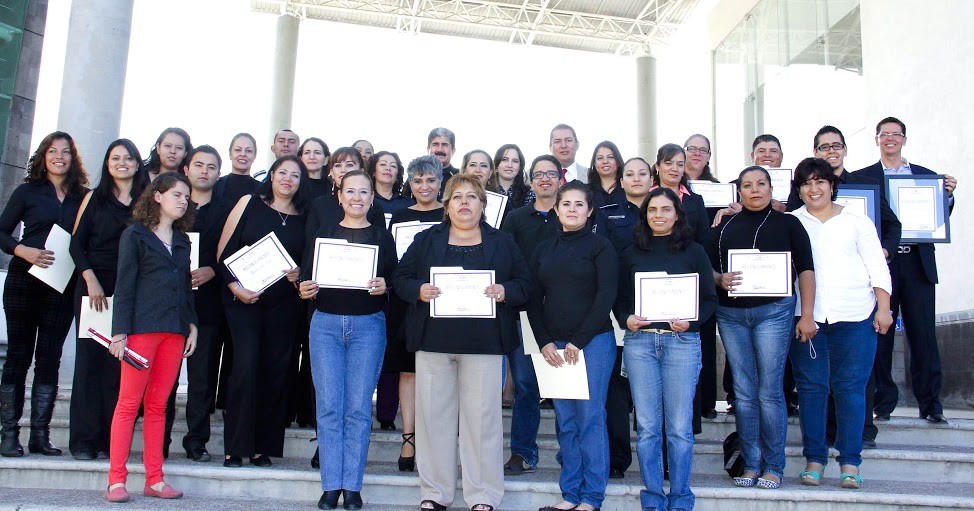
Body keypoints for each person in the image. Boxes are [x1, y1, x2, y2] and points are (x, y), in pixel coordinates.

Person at [392, 174, 530, 511]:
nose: (464, 202)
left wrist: (505, 291)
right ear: (446, 204)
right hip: (434, 343)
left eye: (472, 197)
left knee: (482, 421)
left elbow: (526, 283)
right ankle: (435, 492)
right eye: (457, 197)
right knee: (433, 419)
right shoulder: (427, 240)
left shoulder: (503, 242)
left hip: (484, 345)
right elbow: (401, 278)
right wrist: (418, 291)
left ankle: (482, 495)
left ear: (483, 205)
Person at [787, 125, 902, 448]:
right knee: (811, 389)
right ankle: (815, 456)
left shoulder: (857, 221)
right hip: (808, 319)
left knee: (851, 388)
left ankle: (851, 459)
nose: (814, 189)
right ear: (799, 189)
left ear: (832, 185)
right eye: (807, 184)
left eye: (820, 182)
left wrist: (883, 308)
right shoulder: (793, 223)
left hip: (856, 317)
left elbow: (877, 267)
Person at [709, 166, 816, 489]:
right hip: (731, 315)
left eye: (761, 184)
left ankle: (773, 465)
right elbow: (705, 267)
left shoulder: (789, 223)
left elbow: (806, 270)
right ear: (738, 191)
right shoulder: (723, 226)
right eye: (747, 185)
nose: (754, 190)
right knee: (743, 393)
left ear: (772, 189)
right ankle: (751, 463)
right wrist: (720, 279)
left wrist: (807, 314)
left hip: (774, 312)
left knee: (769, 391)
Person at [298, 170, 397, 511]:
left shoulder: (383, 238)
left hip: (368, 327)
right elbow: (309, 279)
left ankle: (352, 487)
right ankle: (330, 486)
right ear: (339, 196)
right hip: (325, 326)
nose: (356, 197)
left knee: (356, 410)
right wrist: (306, 288)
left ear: (373, 198)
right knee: (328, 408)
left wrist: (386, 286)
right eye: (350, 191)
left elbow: (395, 281)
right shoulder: (322, 234)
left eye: (363, 192)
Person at [614, 187, 718, 511]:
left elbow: (710, 299)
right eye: (652, 210)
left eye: (666, 209)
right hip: (641, 343)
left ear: (677, 214)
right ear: (644, 215)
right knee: (646, 427)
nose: (658, 215)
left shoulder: (694, 251)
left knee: (679, 427)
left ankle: (682, 498)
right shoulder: (630, 252)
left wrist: (693, 321)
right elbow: (618, 299)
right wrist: (625, 318)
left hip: (682, 343)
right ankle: (653, 498)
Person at [858, 116, 957, 424]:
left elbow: (939, 216)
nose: (890, 139)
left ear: (904, 139)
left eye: (896, 134)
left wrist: (948, 195)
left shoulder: (928, 177)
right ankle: (883, 402)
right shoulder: (862, 177)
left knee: (923, 334)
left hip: (917, 262)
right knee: (880, 332)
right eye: (884, 134)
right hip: (881, 262)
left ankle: (931, 403)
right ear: (876, 139)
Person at [105, 172, 198, 503]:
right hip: (141, 331)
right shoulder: (135, 236)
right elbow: (125, 285)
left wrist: (192, 325)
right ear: (157, 196)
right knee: (129, 403)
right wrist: (119, 333)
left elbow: (186, 287)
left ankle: (154, 480)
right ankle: (117, 480)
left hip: (174, 332)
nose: (183, 200)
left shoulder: (183, 240)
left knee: (158, 405)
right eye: (177, 194)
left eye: (186, 196)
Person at [527, 181, 618, 511]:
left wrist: (578, 342)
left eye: (580, 204)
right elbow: (533, 301)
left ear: (589, 210)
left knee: (590, 417)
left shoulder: (600, 247)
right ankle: (570, 494)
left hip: (592, 343)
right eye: (566, 204)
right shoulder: (543, 250)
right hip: (555, 348)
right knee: (565, 421)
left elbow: (605, 297)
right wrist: (544, 342)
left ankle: (592, 497)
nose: (572, 209)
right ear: (556, 209)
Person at [217, 155, 310, 468]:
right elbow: (223, 252)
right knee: (245, 366)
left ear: (301, 182)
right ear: (271, 175)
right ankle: (235, 446)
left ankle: (262, 446)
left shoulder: (305, 215)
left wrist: (299, 274)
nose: (288, 179)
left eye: (295, 175)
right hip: (245, 300)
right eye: (282, 172)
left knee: (276, 372)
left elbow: (307, 262)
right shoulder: (248, 203)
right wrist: (234, 288)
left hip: (285, 305)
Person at [0, 132, 88, 458]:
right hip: (24, 281)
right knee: (19, 357)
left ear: (73, 158)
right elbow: (2, 231)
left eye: (65, 152)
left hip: (62, 286)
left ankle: (41, 434)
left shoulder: (84, 197)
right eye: (53, 151)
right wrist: (23, 250)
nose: (59, 157)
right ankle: (9, 433)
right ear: (43, 156)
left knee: (49, 359)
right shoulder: (27, 192)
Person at [67, 138, 147, 461]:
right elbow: (76, 245)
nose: (122, 163)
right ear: (107, 163)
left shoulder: (147, 203)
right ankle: (84, 441)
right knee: (89, 364)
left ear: (138, 164)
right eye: (116, 158)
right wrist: (90, 280)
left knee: (119, 368)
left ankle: (107, 440)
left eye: (128, 158)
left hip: (131, 289)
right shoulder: (93, 198)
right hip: (93, 288)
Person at [499, 155, 564, 477]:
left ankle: (572, 451)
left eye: (551, 174)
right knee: (526, 385)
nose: (545, 180)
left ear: (560, 179)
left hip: (565, 313)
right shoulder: (516, 218)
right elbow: (505, 260)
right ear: (531, 180)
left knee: (568, 387)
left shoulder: (569, 214)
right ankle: (522, 452)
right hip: (523, 311)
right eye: (539, 175)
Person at [387, 155, 445, 473]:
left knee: (438, 374)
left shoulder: (449, 215)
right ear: (410, 182)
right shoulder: (398, 216)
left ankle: (435, 441)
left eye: (431, 180)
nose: (424, 186)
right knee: (407, 372)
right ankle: (408, 440)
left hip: (441, 305)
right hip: (405, 304)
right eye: (418, 180)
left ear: (441, 183)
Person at [181, 145, 234, 462]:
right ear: (186, 169)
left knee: (202, 378)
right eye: (198, 165)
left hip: (210, 305)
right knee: (167, 377)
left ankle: (196, 441)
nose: (204, 171)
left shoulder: (228, 210)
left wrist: (213, 269)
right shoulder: (171, 203)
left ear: (219, 172)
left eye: (211, 166)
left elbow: (236, 252)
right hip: (169, 304)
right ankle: (159, 440)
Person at [602, 156, 652, 479]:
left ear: (652, 178)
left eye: (642, 173)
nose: (636, 179)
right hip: (620, 312)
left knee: (652, 392)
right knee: (616, 392)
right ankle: (617, 458)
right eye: (630, 174)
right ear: (621, 181)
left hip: (660, 313)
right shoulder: (607, 215)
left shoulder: (665, 208)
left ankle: (657, 461)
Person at [683, 134, 724, 421]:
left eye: (702, 150)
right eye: (691, 149)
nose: (696, 154)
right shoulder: (660, 191)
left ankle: (707, 401)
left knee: (704, 339)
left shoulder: (721, 190)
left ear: (709, 156)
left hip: (705, 270)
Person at [487, 144, 534, 220]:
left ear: (519, 167)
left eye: (515, 161)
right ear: (496, 165)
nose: (509, 165)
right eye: (504, 160)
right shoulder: (486, 193)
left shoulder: (529, 195)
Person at [214, 133, 260, 204]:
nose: (243, 154)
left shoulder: (262, 190)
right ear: (230, 154)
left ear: (254, 156)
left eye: (248, 151)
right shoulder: (215, 185)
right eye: (238, 150)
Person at [369, 151, 412, 217]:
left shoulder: (409, 203)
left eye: (393, 166)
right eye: (383, 164)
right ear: (373, 172)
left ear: (397, 174)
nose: (388, 168)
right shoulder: (366, 201)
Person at [587, 141, 625, 209]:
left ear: (618, 161)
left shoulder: (627, 188)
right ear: (594, 164)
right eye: (600, 158)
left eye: (610, 157)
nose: (605, 161)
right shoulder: (586, 191)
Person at [427, 128, 458, 199]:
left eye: (445, 145)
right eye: (435, 144)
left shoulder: (460, 177)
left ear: (453, 151)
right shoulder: (417, 176)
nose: (440, 149)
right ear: (428, 149)